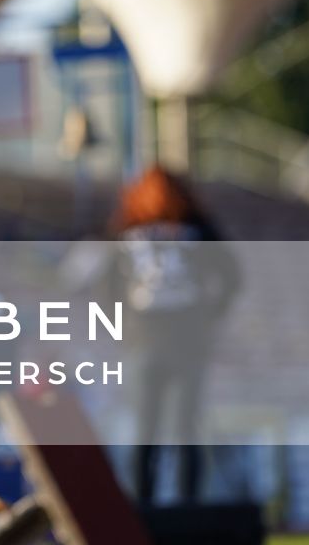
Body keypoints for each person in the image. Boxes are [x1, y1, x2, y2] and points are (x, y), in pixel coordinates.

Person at [101, 164, 240, 508]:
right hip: (171, 341)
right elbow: (230, 276)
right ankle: (174, 507)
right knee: (175, 429)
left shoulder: (129, 229)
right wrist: (209, 313)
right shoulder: (189, 229)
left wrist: (120, 327)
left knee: (156, 430)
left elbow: (107, 288)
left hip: (155, 340)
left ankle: (150, 508)